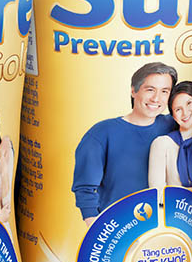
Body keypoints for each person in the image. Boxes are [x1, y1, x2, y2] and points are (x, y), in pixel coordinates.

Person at [72, 62, 179, 227]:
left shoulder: (174, 125)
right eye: (150, 90)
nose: (156, 98)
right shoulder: (101, 133)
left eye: (164, 91)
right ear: (133, 91)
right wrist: (97, 229)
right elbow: (85, 189)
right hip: (117, 228)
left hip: (163, 227)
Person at [148, 81, 192, 194]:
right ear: (173, 115)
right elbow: (157, 193)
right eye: (178, 109)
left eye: (189, 103)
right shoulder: (162, 144)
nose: (185, 113)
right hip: (174, 205)